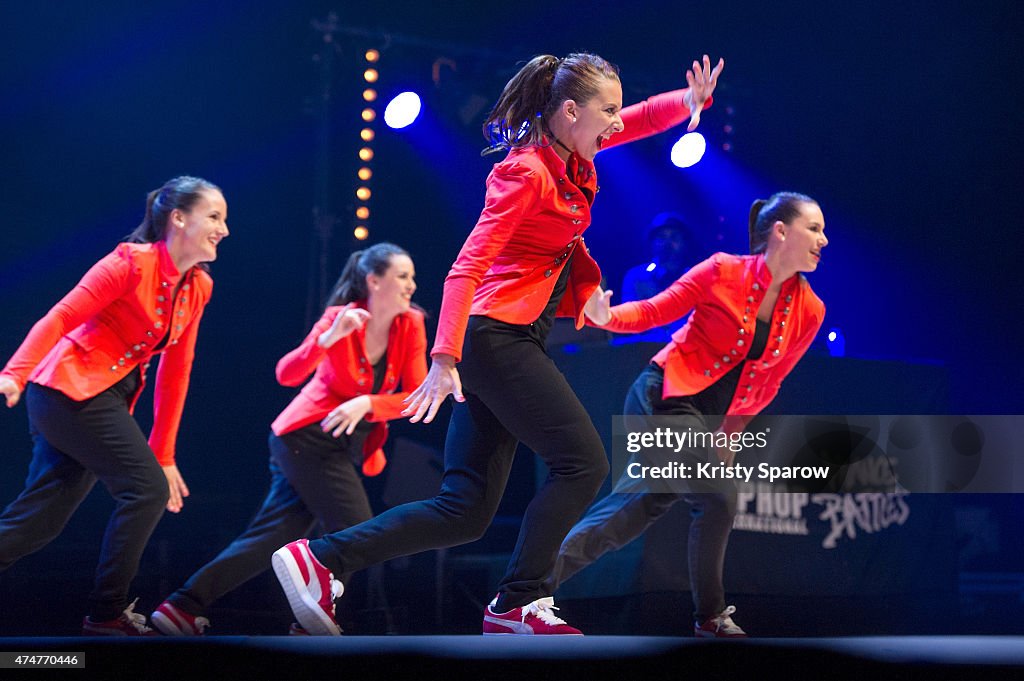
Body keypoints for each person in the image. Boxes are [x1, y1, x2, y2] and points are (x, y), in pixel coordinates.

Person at [271, 51, 724, 636]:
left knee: (464, 510)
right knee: (583, 464)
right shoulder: (527, 171)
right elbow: (465, 269)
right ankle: (518, 602)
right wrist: (443, 359)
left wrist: (687, 104)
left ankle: (322, 558)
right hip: (494, 337)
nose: (615, 121)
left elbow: (635, 120)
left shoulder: (573, 156)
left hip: (511, 334)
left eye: (615, 109)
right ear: (568, 112)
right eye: (604, 110)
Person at [545, 192, 828, 637]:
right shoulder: (723, 270)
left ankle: (521, 593)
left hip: (703, 417)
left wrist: (730, 435)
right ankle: (710, 617)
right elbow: (657, 310)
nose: (823, 240)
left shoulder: (810, 310)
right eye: (814, 228)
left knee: (628, 514)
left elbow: (768, 384)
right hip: (662, 397)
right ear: (781, 231)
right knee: (718, 498)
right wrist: (605, 316)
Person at [150, 243, 426, 636]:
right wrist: (329, 337)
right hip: (304, 439)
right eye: (403, 276)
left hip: (335, 446)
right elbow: (286, 374)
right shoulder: (339, 318)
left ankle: (183, 606)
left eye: (412, 277)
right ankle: (313, 615)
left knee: (271, 539)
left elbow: (414, 398)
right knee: (358, 529)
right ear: (374, 280)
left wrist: (367, 402)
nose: (412, 285)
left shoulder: (410, 324)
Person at [0, 176, 228, 635]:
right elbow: (62, 316)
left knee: (38, 522)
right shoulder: (131, 263)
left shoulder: (197, 286)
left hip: (97, 395)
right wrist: (14, 372)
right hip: (68, 389)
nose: (224, 228)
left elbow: (176, 372)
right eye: (215, 216)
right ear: (178, 218)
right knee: (144, 490)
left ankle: (105, 614)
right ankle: (106, 614)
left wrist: (164, 453)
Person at [617, 212, 701, 343]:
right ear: (652, 242)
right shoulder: (636, 276)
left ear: (685, 242)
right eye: (661, 237)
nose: (667, 243)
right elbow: (627, 317)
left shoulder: (696, 276)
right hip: (646, 347)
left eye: (674, 237)